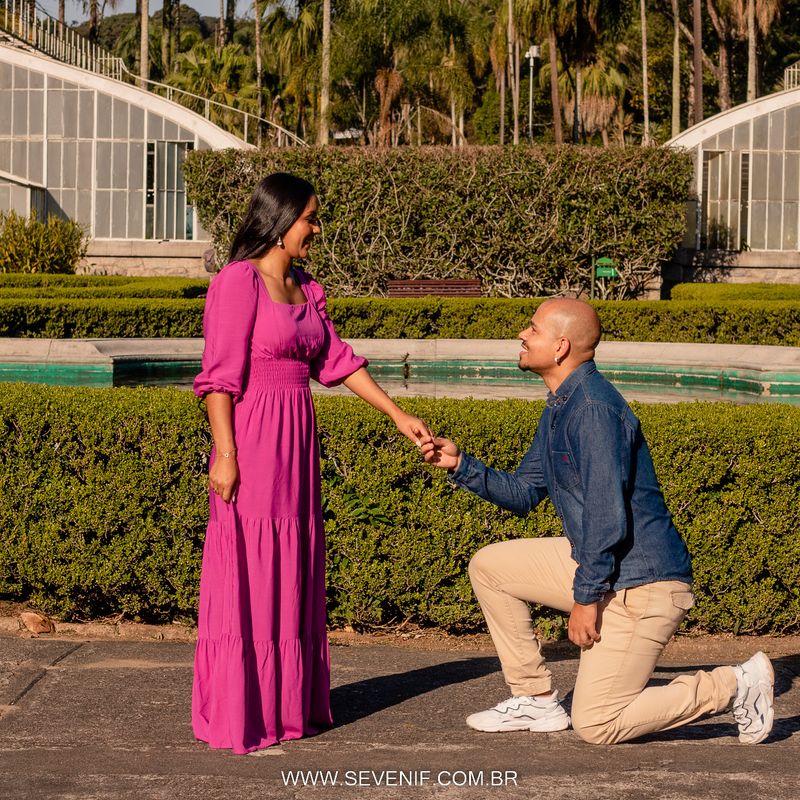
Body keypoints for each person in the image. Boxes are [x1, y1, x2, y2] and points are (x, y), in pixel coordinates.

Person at [421, 298, 774, 745]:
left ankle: (735, 685)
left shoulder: (591, 410)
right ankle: (536, 699)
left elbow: (607, 518)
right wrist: (460, 465)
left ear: (561, 346)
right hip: (605, 568)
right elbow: (525, 493)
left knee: (598, 723)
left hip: (643, 584)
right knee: (491, 566)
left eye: (532, 329)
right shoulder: (560, 405)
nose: (522, 335)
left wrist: (586, 600)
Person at [192, 172, 430, 754]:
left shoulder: (308, 289)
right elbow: (218, 379)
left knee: (291, 560)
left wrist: (398, 417)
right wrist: (226, 455)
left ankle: (286, 706)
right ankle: (245, 711)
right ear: (278, 222)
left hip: (296, 443)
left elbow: (339, 362)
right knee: (250, 564)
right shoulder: (236, 282)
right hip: (251, 440)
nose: (316, 230)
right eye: (309, 220)